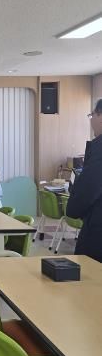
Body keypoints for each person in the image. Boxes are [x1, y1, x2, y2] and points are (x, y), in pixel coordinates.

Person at [67, 99, 102, 262]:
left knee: (89, 275)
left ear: (100, 116)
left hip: (97, 233)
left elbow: (87, 191)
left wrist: (73, 207)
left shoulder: (100, 150)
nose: (91, 120)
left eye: (92, 115)